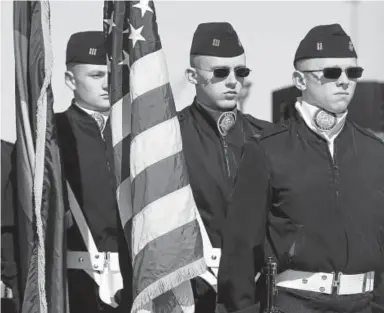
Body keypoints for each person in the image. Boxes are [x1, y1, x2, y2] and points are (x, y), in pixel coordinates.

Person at [217, 24, 384, 313]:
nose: (344, 81)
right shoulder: (267, 150)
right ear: (300, 80)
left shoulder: (375, 151)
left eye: (352, 73)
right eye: (331, 73)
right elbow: (240, 253)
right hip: (295, 304)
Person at [178, 22, 272, 313]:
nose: (232, 80)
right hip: (191, 292)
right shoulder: (168, 139)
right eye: (220, 72)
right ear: (192, 76)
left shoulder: (269, 138)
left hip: (256, 293)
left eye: (240, 72)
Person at [56, 31, 125, 313]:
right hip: (78, 286)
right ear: (70, 80)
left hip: (136, 284)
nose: (107, 84)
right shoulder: (53, 135)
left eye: (111, 74)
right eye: (96, 75)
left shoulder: (138, 134)